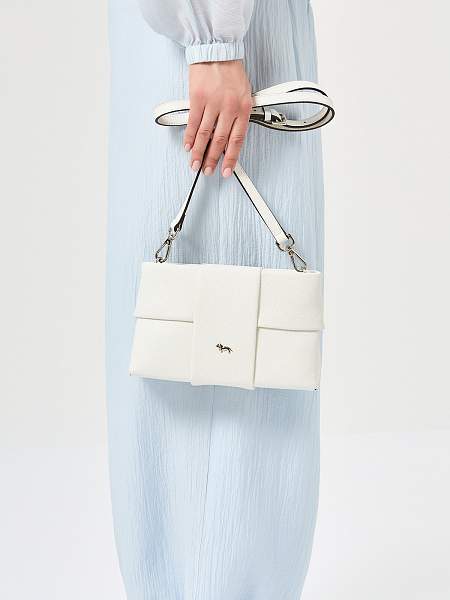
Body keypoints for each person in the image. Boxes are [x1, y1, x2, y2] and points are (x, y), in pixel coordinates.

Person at [106, 0, 324, 598]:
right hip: (221, 40)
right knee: (223, 398)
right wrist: (213, 43)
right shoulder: (213, 37)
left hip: (211, 36)